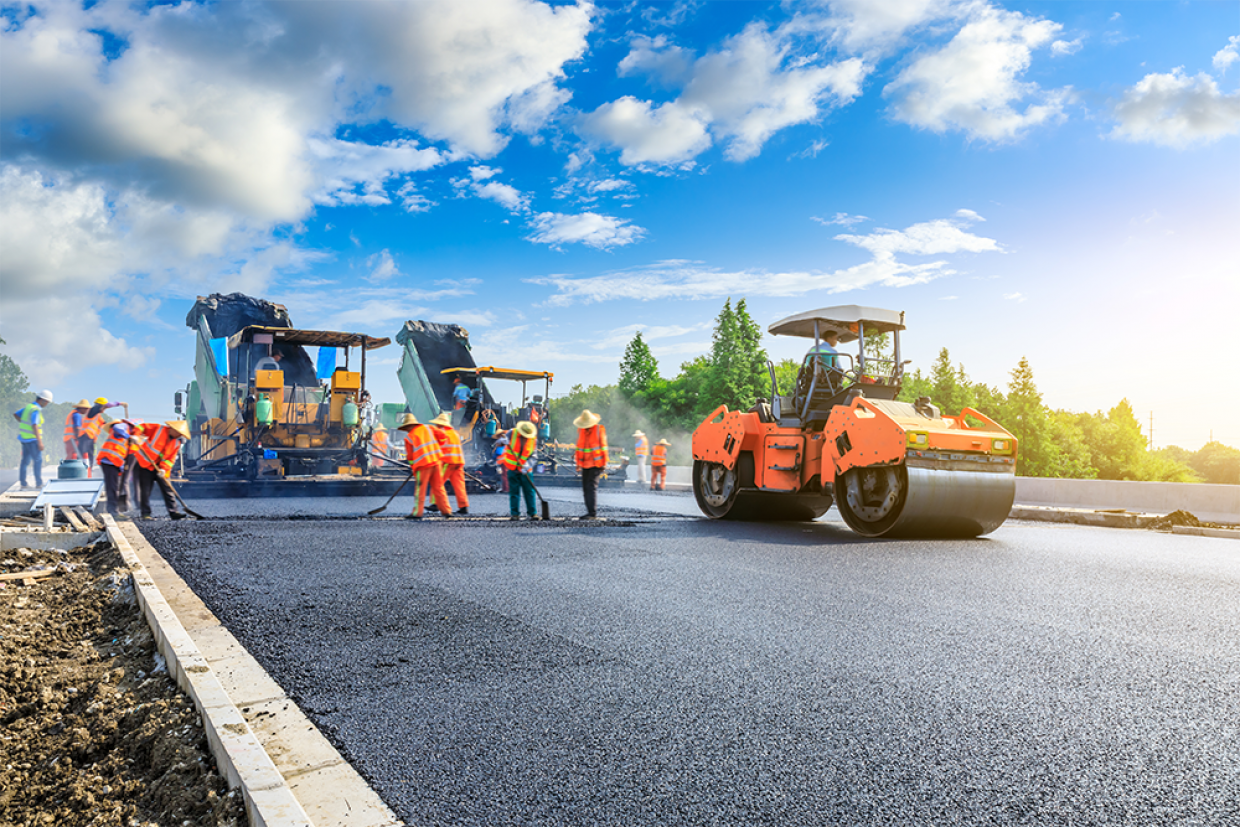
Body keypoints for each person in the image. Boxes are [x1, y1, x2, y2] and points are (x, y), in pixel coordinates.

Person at [397, 413, 452, 520]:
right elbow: (443, 436)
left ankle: (417, 513)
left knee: (420, 489)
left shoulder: (409, 437)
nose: (407, 430)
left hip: (422, 466)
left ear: (408, 426)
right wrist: (438, 446)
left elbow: (410, 457)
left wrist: (413, 469)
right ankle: (446, 511)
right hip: (436, 461)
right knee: (439, 488)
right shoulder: (429, 428)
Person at [133, 420, 190, 520]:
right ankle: (146, 514)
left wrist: (164, 469)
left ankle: (174, 512)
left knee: (168, 489)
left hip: (160, 468)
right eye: (179, 433)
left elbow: (170, 459)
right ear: (173, 429)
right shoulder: (158, 429)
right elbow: (141, 427)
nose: (179, 435)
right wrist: (136, 436)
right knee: (145, 490)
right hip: (146, 464)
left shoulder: (176, 442)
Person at [427, 412, 469, 515]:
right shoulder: (454, 433)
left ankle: (435, 503)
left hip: (447, 462)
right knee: (459, 485)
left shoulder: (441, 433)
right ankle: (463, 506)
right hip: (458, 462)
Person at [97, 419, 140, 515]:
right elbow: (117, 427)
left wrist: (121, 467)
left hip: (113, 462)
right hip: (109, 460)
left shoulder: (128, 435)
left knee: (115, 486)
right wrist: (128, 436)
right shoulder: (124, 426)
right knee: (112, 487)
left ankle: (115, 509)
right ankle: (113, 510)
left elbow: (122, 452)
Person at [12, 389, 53, 490]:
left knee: (25, 461)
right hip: (33, 440)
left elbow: (16, 414)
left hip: (24, 438)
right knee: (38, 461)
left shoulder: (28, 407)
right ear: (43, 400)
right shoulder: (35, 410)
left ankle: (23, 484)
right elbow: (34, 425)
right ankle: (39, 483)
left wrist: (22, 423)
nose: (46, 404)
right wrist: (40, 442)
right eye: (47, 402)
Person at [498, 421, 538, 520]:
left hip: (526, 471)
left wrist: (527, 465)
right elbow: (498, 442)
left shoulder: (533, 439)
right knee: (514, 492)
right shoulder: (512, 433)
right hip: (512, 469)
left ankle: (533, 513)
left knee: (529, 492)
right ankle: (515, 514)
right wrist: (503, 441)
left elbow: (534, 456)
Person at [573, 409, 608, 519]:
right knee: (585, 488)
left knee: (591, 487)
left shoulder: (599, 429)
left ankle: (592, 513)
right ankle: (589, 512)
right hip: (585, 465)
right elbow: (579, 448)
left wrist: (604, 463)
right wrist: (578, 464)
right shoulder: (581, 431)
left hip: (596, 464)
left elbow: (604, 447)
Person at [79, 397, 127, 476]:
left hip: (91, 439)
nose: (104, 410)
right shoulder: (92, 411)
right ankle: (84, 474)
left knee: (90, 458)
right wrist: (119, 403)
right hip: (85, 436)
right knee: (85, 457)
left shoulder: (98, 417)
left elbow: (107, 426)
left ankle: (88, 475)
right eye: (103, 407)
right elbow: (107, 405)